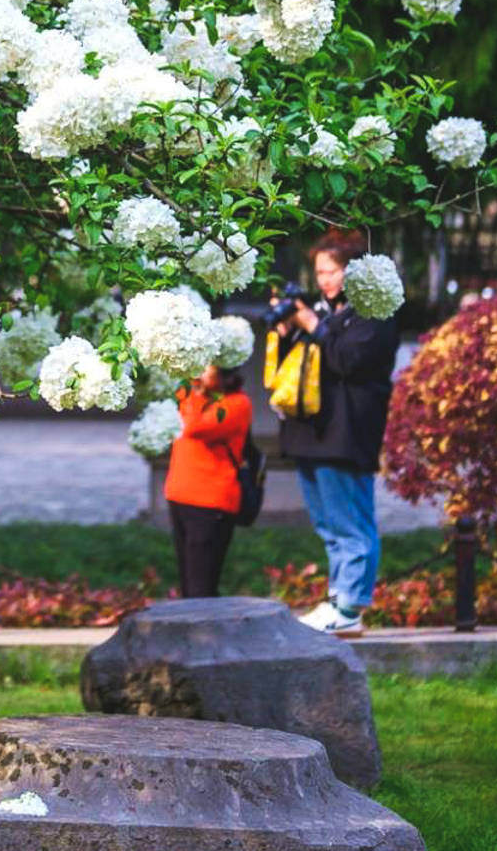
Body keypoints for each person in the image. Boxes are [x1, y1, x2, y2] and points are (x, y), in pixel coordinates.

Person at [272, 235, 400, 636]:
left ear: (354, 270)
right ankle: (338, 600)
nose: (324, 280)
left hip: (347, 434)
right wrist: (290, 329)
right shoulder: (332, 313)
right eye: (320, 272)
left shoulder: (375, 313)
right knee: (329, 525)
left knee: (351, 524)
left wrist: (312, 324)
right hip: (313, 432)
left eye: (332, 270)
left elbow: (348, 360)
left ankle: (350, 607)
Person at [164, 362, 252, 600]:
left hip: (211, 502)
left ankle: (205, 636)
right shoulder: (189, 392)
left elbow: (194, 427)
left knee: (201, 586)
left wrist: (199, 392)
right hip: (179, 494)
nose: (200, 370)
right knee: (188, 582)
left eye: (208, 366)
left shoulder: (236, 403)